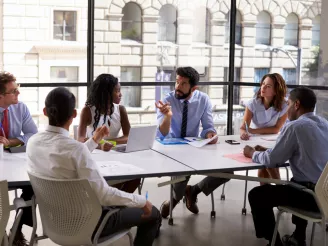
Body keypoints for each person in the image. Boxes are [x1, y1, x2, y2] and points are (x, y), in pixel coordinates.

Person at [27, 87, 161, 246]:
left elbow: (73, 155)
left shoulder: (33, 142)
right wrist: (141, 201)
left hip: (54, 222)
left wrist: (94, 140)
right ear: (74, 114)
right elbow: (104, 195)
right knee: (154, 214)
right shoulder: (75, 149)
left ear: (45, 111)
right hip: (90, 224)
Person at [243, 87, 328, 246]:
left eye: (288, 104)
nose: (285, 109)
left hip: (310, 197)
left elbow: (272, 161)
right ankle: (298, 237)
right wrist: (271, 150)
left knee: (257, 195)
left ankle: (274, 242)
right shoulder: (325, 124)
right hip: (326, 194)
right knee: (297, 181)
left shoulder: (295, 126)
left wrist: (252, 153)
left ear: (296, 105)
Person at [155, 66, 231, 218]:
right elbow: (161, 134)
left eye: (183, 84)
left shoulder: (203, 100)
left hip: (194, 146)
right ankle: (175, 200)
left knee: (227, 171)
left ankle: (193, 190)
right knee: (183, 171)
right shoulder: (167, 100)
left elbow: (208, 127)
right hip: (172, 149)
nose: (178, 87)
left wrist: (210, 134)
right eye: (177, 82)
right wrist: (168, 116)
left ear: (194, 88)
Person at [78, 74, 140, 193]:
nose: (120, 94)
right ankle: (110, 202)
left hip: (115, 156)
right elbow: (80, 139)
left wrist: (110, 142)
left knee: (136, 177)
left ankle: (114, 204)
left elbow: (129, 136)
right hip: (95, 156)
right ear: (106, 93)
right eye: (117, 91)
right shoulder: (87, 111)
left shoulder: (121, 109)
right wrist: (99, 144)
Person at [0, 72, 38, 246]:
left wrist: (11, 142)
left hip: (15, 162)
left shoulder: (20, 108)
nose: (18, 93)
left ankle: (17, 229)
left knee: (33, 184)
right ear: (1, 95)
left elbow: (33, 134)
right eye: (13, 91)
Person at [240, 73, 288, 184]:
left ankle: (273, 190)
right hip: (257, 140)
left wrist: (253, 131)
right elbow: (243, 127)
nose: (263, 88)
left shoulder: (284, 105)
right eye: (263, 84)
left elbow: (276, 129)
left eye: (268, 86)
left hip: (275, 139)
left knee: (267, 158)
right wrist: (244, 133)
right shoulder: (253, 103)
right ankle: (275, 189)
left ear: (276, 90)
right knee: (264, 161)